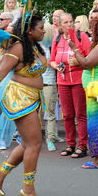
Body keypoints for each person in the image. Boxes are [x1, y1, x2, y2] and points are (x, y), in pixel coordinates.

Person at [0, 15, 47, 196]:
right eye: (41, 27)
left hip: (32, 97)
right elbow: (3, 70)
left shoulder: (34, 46)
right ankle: (28, 189)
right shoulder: (18, 47)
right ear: (29, 30)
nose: (44, 30)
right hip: (20, 98)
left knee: (28, 144)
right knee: (34, 144)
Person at [69, 16, 98, 168]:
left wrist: (75, 49)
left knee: (97, 124)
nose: (90, 31)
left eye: (93, 29)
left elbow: (87, 63)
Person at [50, 13, 90, 158]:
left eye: (71, 22)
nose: (69, 25)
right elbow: (52, 60)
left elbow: (90, 57)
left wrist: (78, 61)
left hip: (79, 80)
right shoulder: (57, 38)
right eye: (66, 22)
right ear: (60, 25)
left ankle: (82, 145)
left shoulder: (81, 36)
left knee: (80, 114)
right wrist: (56, 66)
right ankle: (71, 144)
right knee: (67, 115)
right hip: (63, 81)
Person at [41, 22, 64, 151]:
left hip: (49, 82)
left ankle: (50, 138)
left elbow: (53, 61)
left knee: (50, 112)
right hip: (36, 82)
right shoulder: (34, 46)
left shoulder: (52, 46)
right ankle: (35, 138)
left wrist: (51, 63)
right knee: (35, 113)